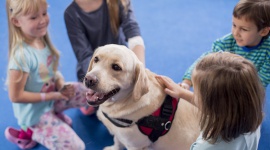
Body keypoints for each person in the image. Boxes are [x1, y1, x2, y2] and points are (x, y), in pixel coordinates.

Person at [5, 0, 89, 149]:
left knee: (88, 93)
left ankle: (54, 115)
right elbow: (15, 96)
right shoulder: (21, 57)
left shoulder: (40, 39)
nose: (42, 20)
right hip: (35, 117)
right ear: (16, 21)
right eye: (33, 17)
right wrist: (53, 96)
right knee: (77, 147)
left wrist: (61, 84)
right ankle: (29, 132)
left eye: (44, 13)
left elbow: (49, 72)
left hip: (51, 101)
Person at [156, 52, 265, 150]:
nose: (194, 94)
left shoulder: (205, 147)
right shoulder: (251, 117)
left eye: (196, 92)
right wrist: (182, 93)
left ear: (214, 104)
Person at [64, 0, 145, 115]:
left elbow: (133, 33)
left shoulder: (119, 2)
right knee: (99, 102)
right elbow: (84, 54)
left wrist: (140, 70)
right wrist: (95, 81)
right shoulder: (71, 13)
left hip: (119, 69)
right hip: (90, 67)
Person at [181, 0, 270, 90]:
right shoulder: (224, 44)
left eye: (244, 29)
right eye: (234, 25)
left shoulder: (268, 50)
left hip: (248, 90)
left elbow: (262, 81)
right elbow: (203, 64)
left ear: (264, 31)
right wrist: (187, 82)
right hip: (224, 86)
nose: (235, 33)